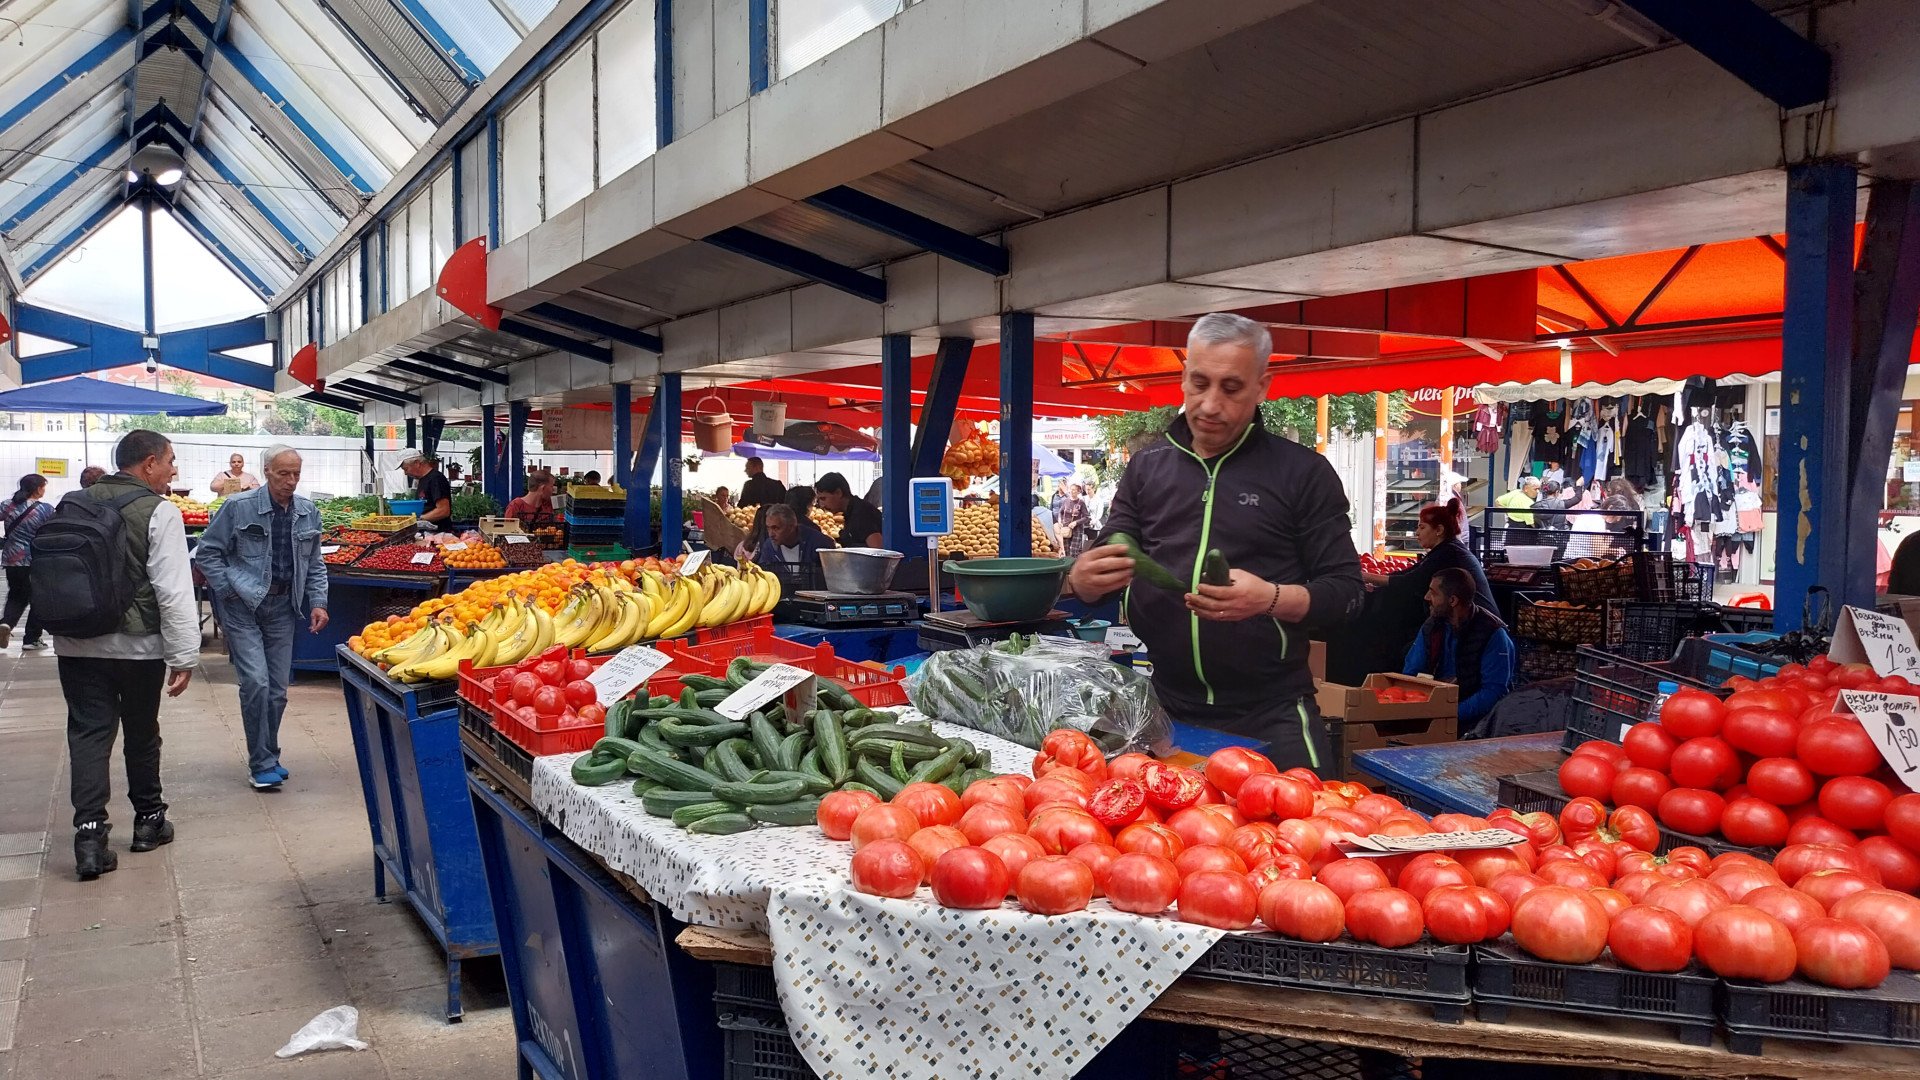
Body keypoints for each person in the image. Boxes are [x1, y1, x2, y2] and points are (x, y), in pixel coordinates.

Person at [1068, 313, 1363, 773]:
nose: (1208, 405)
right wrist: (1083, 579)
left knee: (1300, 837)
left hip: (1273, 713)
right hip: (1164, 709)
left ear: (1262, 386)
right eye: (1199, 383)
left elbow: (1347, 595)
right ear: (1184, 376)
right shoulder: (1147, 468)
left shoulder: (1303, 474)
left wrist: (1271, 598)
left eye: (1231, 388)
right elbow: (1106, 570)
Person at [54, 430, 198, 880]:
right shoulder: (160, 511)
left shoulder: (73, 502)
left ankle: (90, 838)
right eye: (171, 461)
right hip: (137, 648)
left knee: (89, 734)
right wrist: (183, 655)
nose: (174, 470)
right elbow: (173, 591)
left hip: (77, 641)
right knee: (141, 731)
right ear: (149, 462)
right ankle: (149, 822)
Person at [194, 446, 329, 789]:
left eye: (296, 473)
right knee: (256, 682)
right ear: (267, 471)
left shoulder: (308, 512)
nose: (291, 481)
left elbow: (315, 563)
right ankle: (261, 763)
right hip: (242, 607)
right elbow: (207, 552)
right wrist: (226, 591)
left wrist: (319, 602)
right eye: (284, 473)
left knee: (278, 690)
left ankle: (268, 753)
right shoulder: (238, 506)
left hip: (284, 608)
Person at [1403, 567, 1514, 735]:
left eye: (1433, 593)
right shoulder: (1431, 626)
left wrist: (1449, 713)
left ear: (1452, 600)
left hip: (1478, 725)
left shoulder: (1494, 634)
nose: (1426, 597)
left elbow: (1494, 692)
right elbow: (1410, 673)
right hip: (1432, 713)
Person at [1363, 499, 1496, 614]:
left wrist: (1365, 577)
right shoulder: (1446, 549)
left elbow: (1410, 581)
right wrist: (1375, 583)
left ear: (1439, 530)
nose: (1417, 533)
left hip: (1477, 625)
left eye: (1422, 527)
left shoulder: (1448, 553)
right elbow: (1409, 572)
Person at [0, 474, 55, 651]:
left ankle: (6, 624)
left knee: (16, 595)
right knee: (39, 598)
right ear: (38, 488)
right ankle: (32, 638)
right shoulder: (45, 510)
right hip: (35, 559)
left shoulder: (7, 506)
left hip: (11, 559)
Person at [753, 504, 833, 573]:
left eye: (776, 528)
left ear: (791, 526)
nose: (771, 534)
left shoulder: (819, 543)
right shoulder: (769, 547)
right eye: (768, 528)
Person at [815, 471, 883, 548]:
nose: (821, 505)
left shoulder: (861, 514)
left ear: (838, 493)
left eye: (823, 498)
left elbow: (878, 549)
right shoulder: (849, 512)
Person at [397, 450, 453, 528]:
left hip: (438, 533)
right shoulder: (422, 479)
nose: (405, 473)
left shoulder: (435, 479)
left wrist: (418, 520)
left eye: (406, 469)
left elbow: (443, 510)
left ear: (417, 463)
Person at [1057, 483, 1092, 558]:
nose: (1072, 491)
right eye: (1071, 489)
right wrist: (1060, 521)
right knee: (1066, 551)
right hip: (1066, 529)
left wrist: (1076, 522)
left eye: (1074, 490)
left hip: (1077, 530)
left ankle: (1074, 567)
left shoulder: (1081, 502)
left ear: (1078, 491)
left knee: (1073, 551)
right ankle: (1067, 569)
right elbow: (1060, 512)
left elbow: (1087, 517)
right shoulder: (1066, 501)